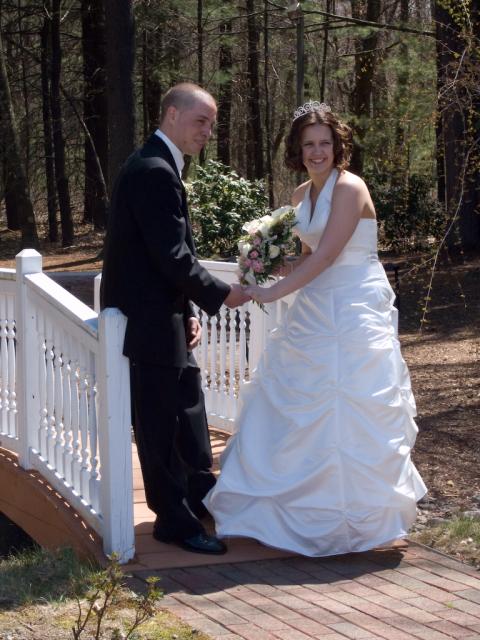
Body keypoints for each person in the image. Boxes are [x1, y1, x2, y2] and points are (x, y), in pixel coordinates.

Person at [204, 101, 427, 557]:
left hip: (352, 302)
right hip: (314, 303)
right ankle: (282, 512)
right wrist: (262, 264)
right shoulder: (299, 194)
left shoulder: (351, 188)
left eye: (325, 143)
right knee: (293, 401)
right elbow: (309, 257)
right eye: (309, 144)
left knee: (349, 402)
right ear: (298, 149)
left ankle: (359, 521)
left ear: (337, 145)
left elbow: (328, 256)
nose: (318, 151)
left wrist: (274, 292)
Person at [100, 82, 249, 555]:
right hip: (145, 318)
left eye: (211, 122)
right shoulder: (152, 169)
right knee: (160, 425)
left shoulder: (161, 164)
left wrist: (187, 311)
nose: (207, 130)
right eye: (200, 120)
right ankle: (174, 522)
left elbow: (163, 254)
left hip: (165, 314)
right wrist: (222, 295)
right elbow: (171, 255)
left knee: (188, 408)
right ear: (171, 115)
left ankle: (197, 494)